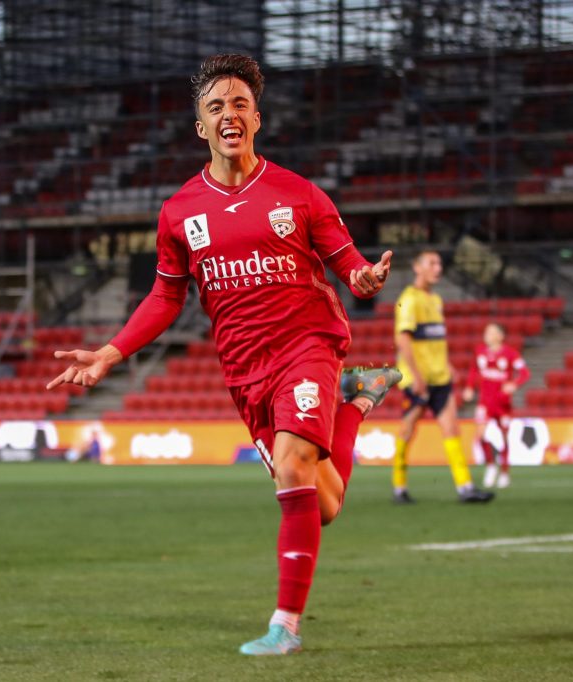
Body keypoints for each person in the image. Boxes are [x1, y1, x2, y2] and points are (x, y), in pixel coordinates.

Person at [46, 54, 401, 655]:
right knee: (324, 502)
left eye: (239, 104)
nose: (229, 114)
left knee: (292, 470)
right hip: (244, 369)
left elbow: (348, 262)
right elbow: (164, 296)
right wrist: (110, 352)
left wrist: (364, 278)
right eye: (216, 107)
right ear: (200, 128)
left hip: (308, 344)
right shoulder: (180, 211)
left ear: (256, 119)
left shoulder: (299, 194)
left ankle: (284, 626)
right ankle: (359, 401)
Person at [391, 250, 494, 505]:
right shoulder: (408, 299)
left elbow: (434, 338)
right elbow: (403, 340)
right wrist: (416, 377)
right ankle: (399, 487)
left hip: (440, 378)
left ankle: (465, 487)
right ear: (417, 268)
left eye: (439, 264)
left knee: (452, 429)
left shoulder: (436, 299)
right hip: (419, 380)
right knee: (407, 431)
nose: (438, 268)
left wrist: (447, 365)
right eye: (431, 263)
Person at [462, 322, 530, 490]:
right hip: (485, 402)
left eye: (491, 332)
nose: (487, 335)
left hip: (503, 403)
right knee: (480, 434)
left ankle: (505, 472)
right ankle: (491, 466)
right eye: (486, 332)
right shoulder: (480, 352)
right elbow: (473, 371)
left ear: (500, 336)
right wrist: (469, 387)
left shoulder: (510, 353)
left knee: (504, 437)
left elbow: (525, 373)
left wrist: (514, 384)